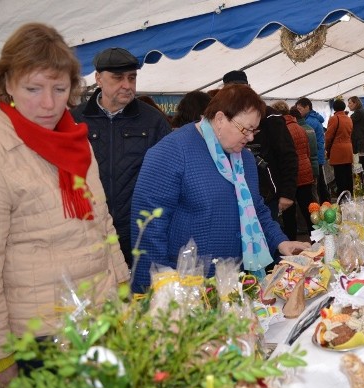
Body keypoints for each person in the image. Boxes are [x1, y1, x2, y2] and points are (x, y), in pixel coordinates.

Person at [0, 21, 128, 388]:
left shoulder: (74, 138)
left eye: (59, 89)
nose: (48, 103)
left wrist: (121, 291)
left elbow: (101, 220)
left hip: (99, 312)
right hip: (44, 330)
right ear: (7, 83)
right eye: (33, 88)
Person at [130, 84, 309, 293]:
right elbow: (148, 228)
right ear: (221, 119)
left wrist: (280, 242)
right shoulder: (172, 152)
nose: (251, 137)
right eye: (246, 129)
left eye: (254, 130)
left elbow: (256, 209)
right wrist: (159, 289)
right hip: (186, 287)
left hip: (236, 283)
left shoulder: (245, 160)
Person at [71, 47, 172, 267]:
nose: (127, 85)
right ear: (98, 78)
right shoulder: (74, 120)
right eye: (118, 78)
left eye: (132, 77)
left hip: (137, 234)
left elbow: (170, 178)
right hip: (88, 232)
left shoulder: (153, 121)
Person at [223, 70, 298, 222]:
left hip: (266, 196)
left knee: (267, 237)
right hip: (236, 196)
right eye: (231, 90)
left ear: (249, 88)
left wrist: (287, 193)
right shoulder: (224, 117)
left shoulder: (270, 116)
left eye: (241, 88)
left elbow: (287, 154)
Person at [272, 101, 315, 240]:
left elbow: (282, 156)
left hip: (291, 175)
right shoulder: (299, 127)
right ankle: (315, 237)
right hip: (305, 170)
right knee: (308, 208)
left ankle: (291, 240)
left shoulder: (281, 129)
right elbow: (308, 151)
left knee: (288, 212)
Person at [296, 97, 331, 203]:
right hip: (318, 155)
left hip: (314, 157)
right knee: (321, 184)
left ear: (307, 107)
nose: (298, 111)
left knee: (318, 186)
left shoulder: (309, 122)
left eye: (300, 108)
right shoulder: (314, 119)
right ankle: (326, 203)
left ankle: (324, 205)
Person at [325, 99, 354, 197]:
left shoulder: (334, 118)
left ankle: (342, 199)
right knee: (348, 176)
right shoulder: (348, 118)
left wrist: (327, 148)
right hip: (348, 149)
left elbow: (328, 137)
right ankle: (350, 196)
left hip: (338, 150)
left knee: (340, 177)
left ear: (334, 108)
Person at [290, 106, 319, 202]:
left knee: (308, 200)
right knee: (313, 195)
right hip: (313, 165)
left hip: (305, 167)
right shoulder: (309, 128)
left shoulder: (298, 130)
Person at [347, 96, 364, 179]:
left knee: (363, 165)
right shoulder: (361, 111)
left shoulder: (359, 113)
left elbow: (348, 122)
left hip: (362, 144)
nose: (348, 105)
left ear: (355, 103)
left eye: (350, 103)